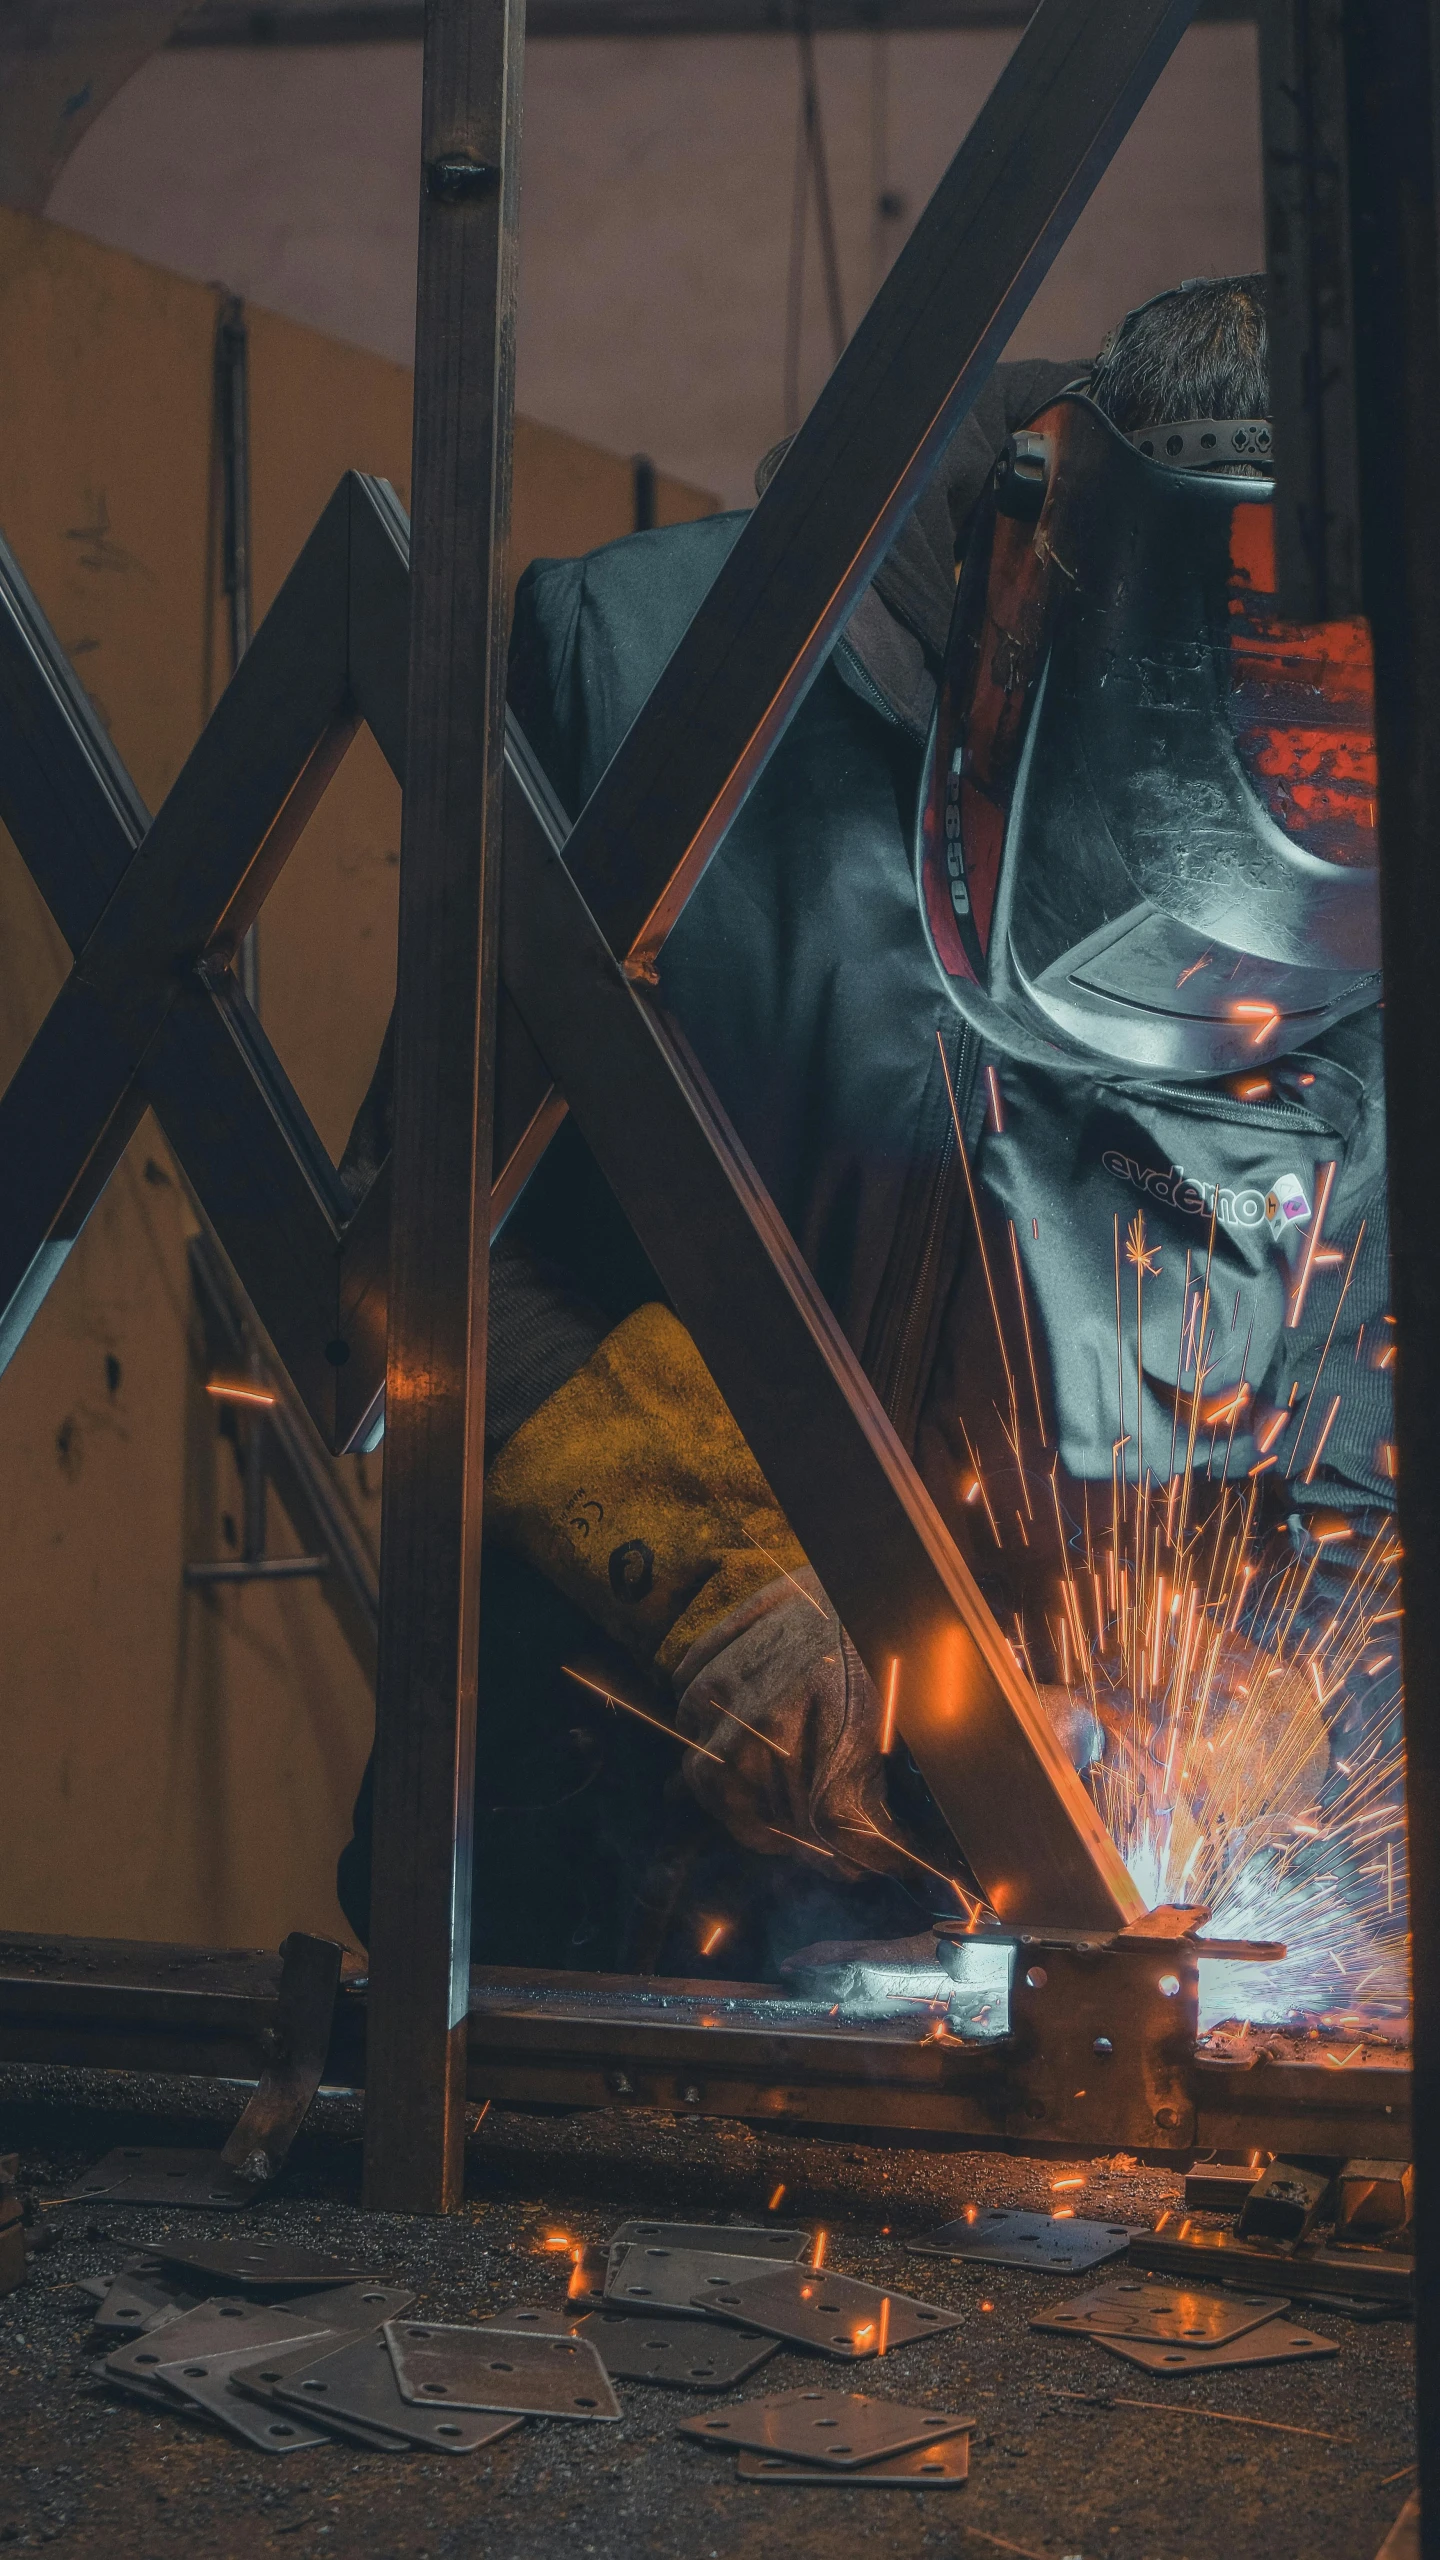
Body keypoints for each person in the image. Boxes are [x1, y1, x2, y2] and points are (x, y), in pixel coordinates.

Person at [337, 277, 1395, 1982]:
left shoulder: (1360, 845)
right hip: (595, 1902)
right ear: (1030, 604)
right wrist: (712, 1568)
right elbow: (413, 1235)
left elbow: (1352, 1461)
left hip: (1061, 1954)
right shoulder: (647, 693)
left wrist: (1277, 1697)